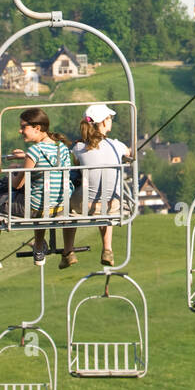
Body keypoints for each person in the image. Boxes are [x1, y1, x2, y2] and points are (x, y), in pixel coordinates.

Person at [0, 107, 77, 272]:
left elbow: (18, 184)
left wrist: (15, 171)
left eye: (24, 127)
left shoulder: (34, 151)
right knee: (41, 196)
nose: (20, 130)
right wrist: (25, 160)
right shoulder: (62, 149)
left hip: (36, 208)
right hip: (58, 206)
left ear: (37, 128)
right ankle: (38, 248)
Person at [71, 103, 131, 268]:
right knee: (106, 198)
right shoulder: (116, 145)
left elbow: (74, 166)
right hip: (113, 205)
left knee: (69, 200)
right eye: (110, 118)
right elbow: (128, 152)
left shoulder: (78, 147)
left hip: (85, 206)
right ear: (104, 122)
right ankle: (107, 248)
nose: (111, 121)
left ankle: (68, 251)